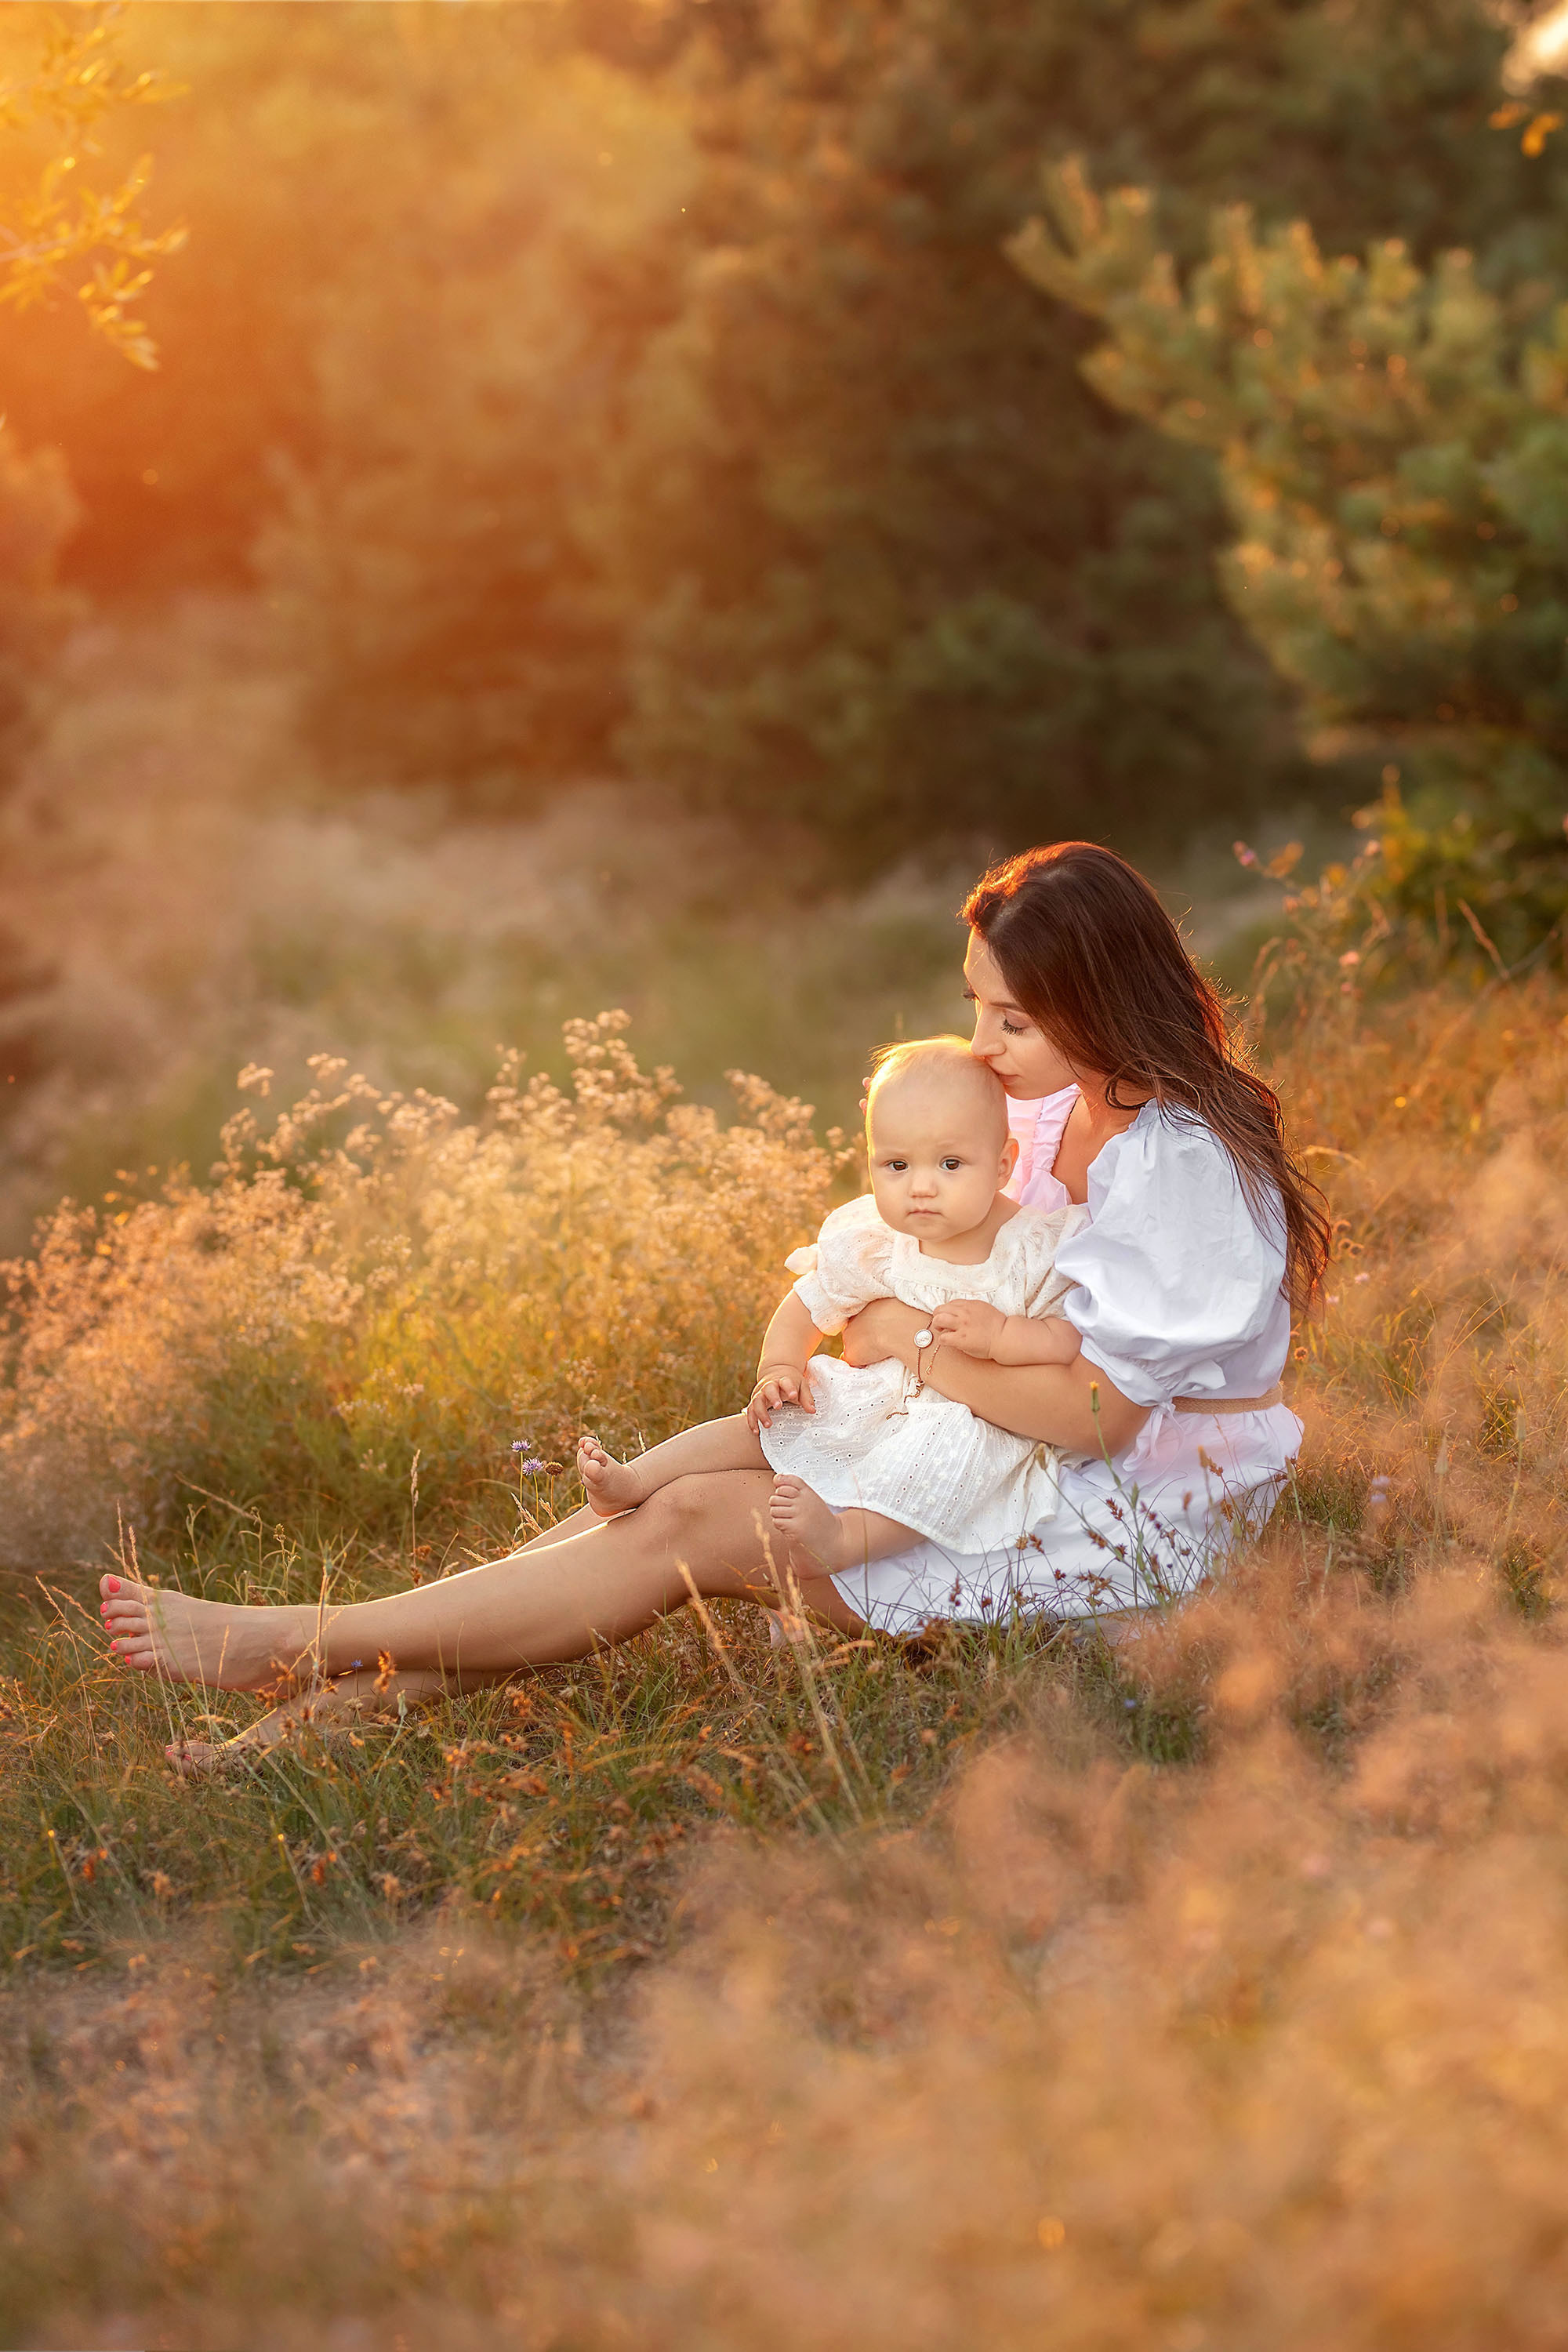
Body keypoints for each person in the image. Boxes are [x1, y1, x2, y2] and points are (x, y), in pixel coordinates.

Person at [99, 842, 1330, 1766]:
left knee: (690, 1524)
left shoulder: (1181, 1166)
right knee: (682, 1500)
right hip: (989, 1435)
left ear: (1099, 999)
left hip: (1111, 1513)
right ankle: (326, 1706)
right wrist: (877, 1325)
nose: (982, 1042)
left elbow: (1100, 1418)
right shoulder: (1052, 1101)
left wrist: (907, 1343)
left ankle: (301, 1642)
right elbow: (925, 1261)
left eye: (1012, 1016)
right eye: (976, 1006)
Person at [576, 1034, 1087, 1574]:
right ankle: (636, 1480)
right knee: (769, 1424)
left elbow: (1069, 1336)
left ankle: (845, 1539)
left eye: (950, 1164)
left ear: (1004, 1163)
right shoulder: (874, 1239)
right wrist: (779, 1367)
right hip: (869, 1396)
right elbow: (807, 1303)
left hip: (965, 1417)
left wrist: (1004, 1336)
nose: (920, 1187)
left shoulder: (1035, 1248)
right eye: (896, 1165)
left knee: (941, 1470)